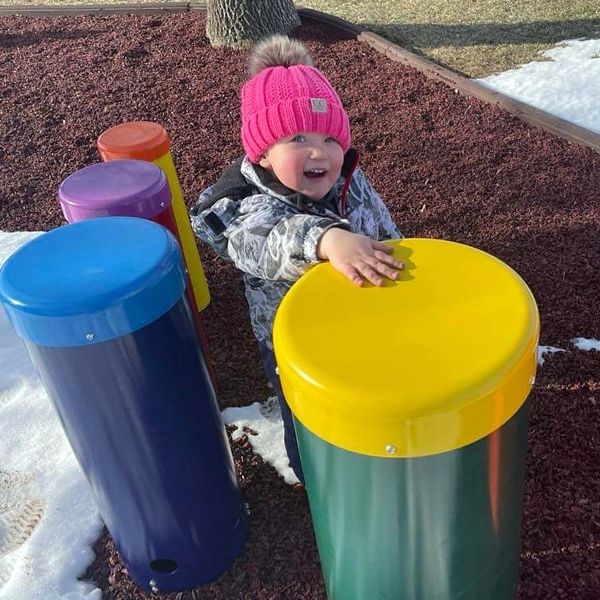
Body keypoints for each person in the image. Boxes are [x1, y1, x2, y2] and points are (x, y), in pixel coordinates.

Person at [191, 34, 403, 484]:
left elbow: (379, 222)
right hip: (294, 339)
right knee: (305, 411)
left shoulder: (348, 178)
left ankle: (369, 456)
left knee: (361, 396)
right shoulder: (243, 203)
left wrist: (397, 255)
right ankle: (315, 477)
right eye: (298, 137)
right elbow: (266, 240)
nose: (318, 151)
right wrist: (326, 238)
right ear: (263, 153)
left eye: (331, 138)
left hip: (354, 318)